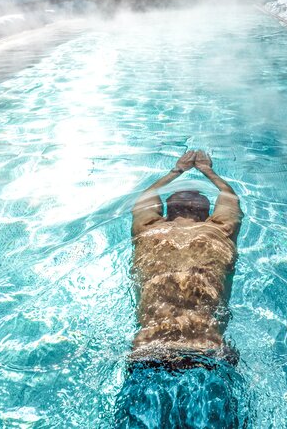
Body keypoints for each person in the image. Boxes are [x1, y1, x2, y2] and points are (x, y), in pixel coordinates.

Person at [114, 150, 246, 428]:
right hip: (208, 356)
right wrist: (209, 172)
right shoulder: (219, 232)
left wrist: (176, 172)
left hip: (150, 355)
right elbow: (232, 200)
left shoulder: (148, 230)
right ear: (206, 210)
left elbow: (144, 200)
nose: (190, 193)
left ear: (168, 207)